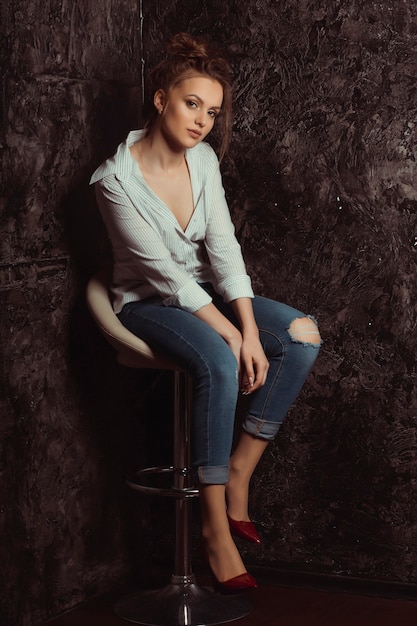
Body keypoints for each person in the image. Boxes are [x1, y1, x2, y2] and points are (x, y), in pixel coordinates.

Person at [90, 32, 321, 594]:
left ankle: (238, 473)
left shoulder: (204, 161)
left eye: (212, 112)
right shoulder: (114, 181)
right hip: (145, 305)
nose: (202, 121)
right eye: (193, 104)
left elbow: (224, 251)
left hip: (204, 300)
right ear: (161, 97)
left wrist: (247, 327)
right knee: (219, 358)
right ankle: (214, 530)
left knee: (300, 334)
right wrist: (234, 339)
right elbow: (167, 280)